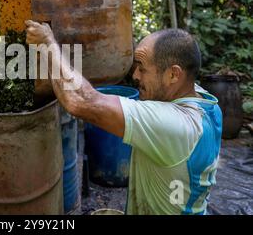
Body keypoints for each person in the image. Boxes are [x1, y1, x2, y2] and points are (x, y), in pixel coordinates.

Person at [25, 20, 222, 215]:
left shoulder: (174, 126)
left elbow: (80, 101)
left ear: (173, 75)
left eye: (142, 68)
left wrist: (47, 43)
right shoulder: (205, 103)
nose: (135, 75)